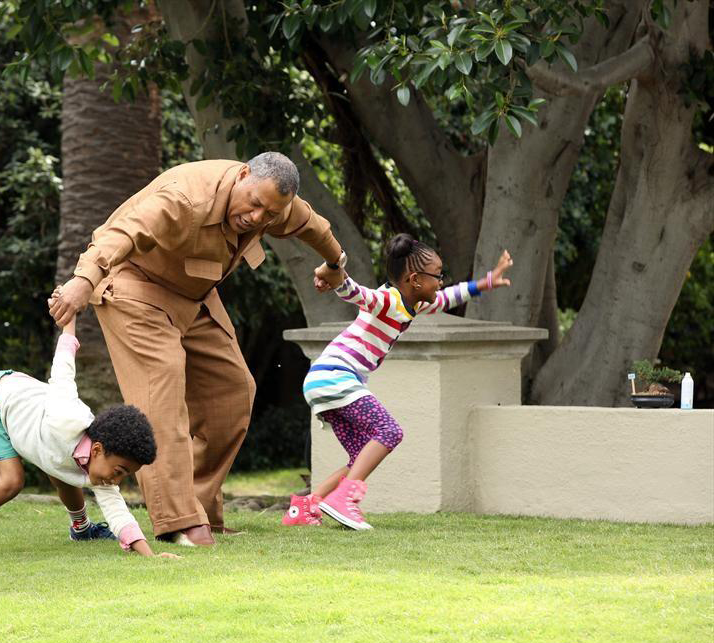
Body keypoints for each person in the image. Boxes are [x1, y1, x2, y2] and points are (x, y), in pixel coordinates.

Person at [49, 152, 348, 546]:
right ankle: (177, 522)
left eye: (270, 214)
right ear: (243, 175)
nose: (258, 218)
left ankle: (199, 508)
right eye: (255, 204)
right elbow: (119, 234)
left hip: (193, 294)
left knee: (234, 390)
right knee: (162, 393)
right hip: (134, 286)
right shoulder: (184, 198)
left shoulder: (277, 206)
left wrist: (335, 264)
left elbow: (314, 226)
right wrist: (83, 281)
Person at [282, 233, 514, 530]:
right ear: (415, 279)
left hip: (325, 382)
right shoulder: (388, 300)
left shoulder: (415, 303)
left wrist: (488, 281)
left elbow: (448, 298)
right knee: (389, 431)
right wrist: (336, 277)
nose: (441, 281)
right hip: (334, 375)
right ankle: (343, 501)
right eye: (437, 276)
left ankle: (306, 506)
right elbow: (357, 293)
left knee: (361, 456)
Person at [0, 310, 179, 558]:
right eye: (119, 472)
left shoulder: (102, 469)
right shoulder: (67, 415)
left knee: (64, 471)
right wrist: (69, 322)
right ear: (97, 449)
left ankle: (81, 528)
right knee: (11, 481)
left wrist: (151, 557)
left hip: (30, 412)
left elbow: (118, 513)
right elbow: (63, 368)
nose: (116, 481)